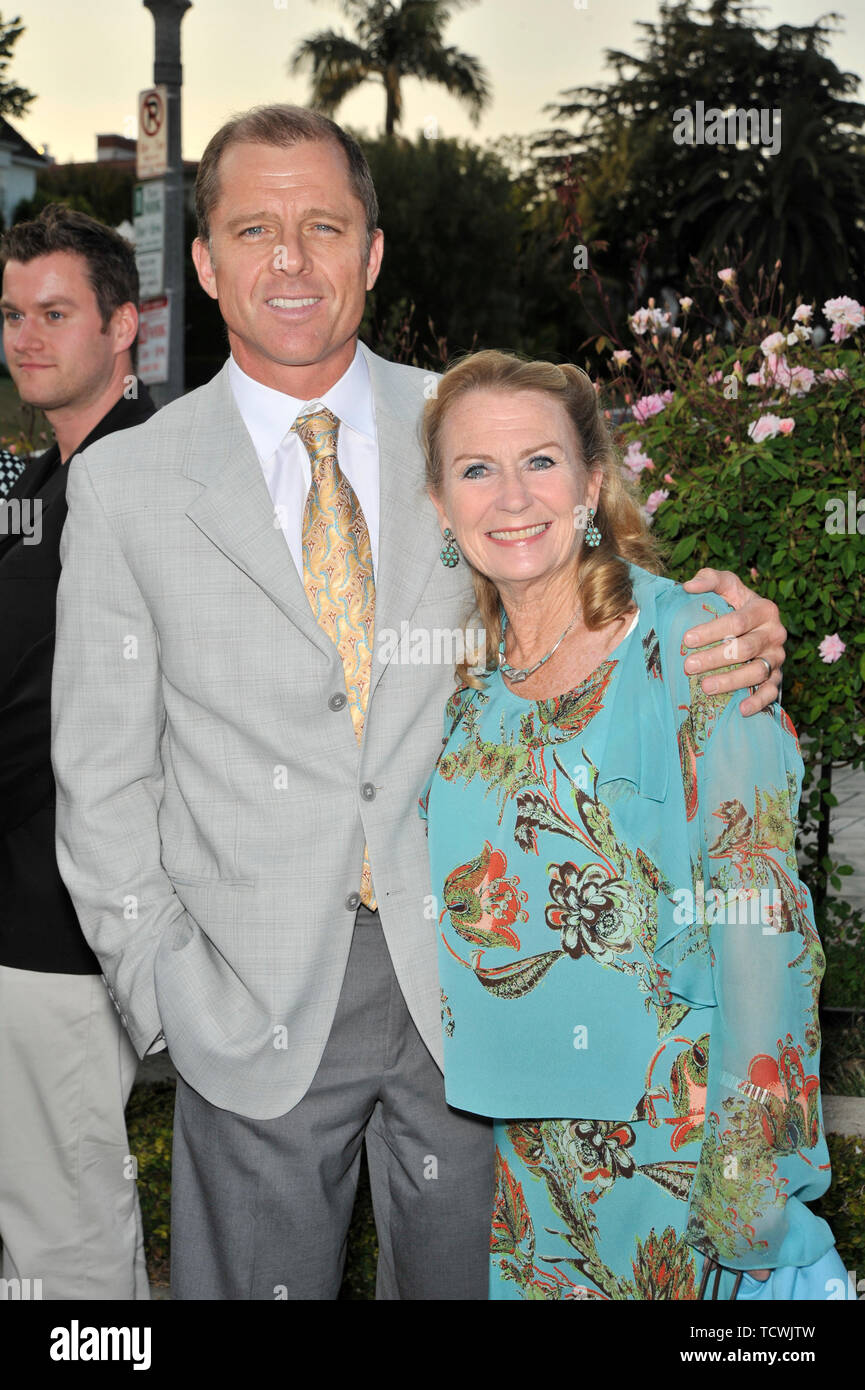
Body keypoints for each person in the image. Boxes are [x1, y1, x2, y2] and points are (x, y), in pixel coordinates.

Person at [52, 104, 787, 1302]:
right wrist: (170, 996)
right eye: (254, 229)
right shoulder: (129, 483)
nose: (289, 260)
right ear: (204, 262)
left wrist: (726, 632)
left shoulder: (471, 425)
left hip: (482, 984)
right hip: (245, 1001)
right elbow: (100, 779)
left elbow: (612, 603)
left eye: (323, 227)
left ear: (372, 254)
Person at [420, 349, 844, 1300]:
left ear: (593, 485)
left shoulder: (695, 642)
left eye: (541, 461)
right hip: (532, 1174)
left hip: (682, 1158)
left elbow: (762, 918)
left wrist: (748, 1184)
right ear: (442, 507)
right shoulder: (473, 694)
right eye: (476, 470)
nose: (512, 496)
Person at [0, 205, 154, 1300]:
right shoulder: (40, 485)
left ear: (125, 325)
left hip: (63, 922)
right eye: (11, 314)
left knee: (66, 1230)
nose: (24, 337)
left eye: (55, 313)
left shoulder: (142, 479)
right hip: (25, 908)